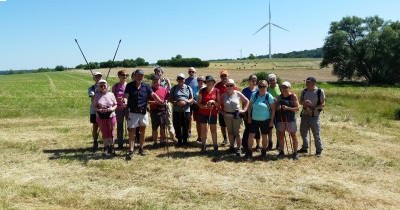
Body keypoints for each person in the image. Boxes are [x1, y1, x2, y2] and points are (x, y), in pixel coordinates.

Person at [124, 69, 164, 160]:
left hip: (143, 112)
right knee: (132, 132)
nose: (140, 77)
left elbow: (153, 95)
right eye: (138, 75)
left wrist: (160, 101)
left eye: (141, 75)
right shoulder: (129, 85)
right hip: (133, 112)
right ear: (135, 76)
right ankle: (131, 150)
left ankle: (141, 148)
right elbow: (126, 96)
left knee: (142, 131)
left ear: (143, 77)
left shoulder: (146, 86)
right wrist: (125, 102)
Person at [244, 80, 276, 158]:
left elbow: (273, 109)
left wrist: (271, 121)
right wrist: (249, 117)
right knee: (251, 135)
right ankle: (249, 151)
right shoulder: (254, 95)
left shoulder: (269, 96)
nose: (262, 88)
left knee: (264, 136)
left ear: (267, 87)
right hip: (254, 119)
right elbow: (250, 107)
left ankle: (264, 151)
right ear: (258, 87)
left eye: (264, 86)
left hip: (265, 120)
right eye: (260, 86)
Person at [220, 79, 249, 156]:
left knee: (237, 132)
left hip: (237, 115)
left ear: (234, 86)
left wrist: (244, 110)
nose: (229, 87)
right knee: (230, 132)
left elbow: (247, 101)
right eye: (228, 85)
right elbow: (218, 104)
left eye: (231, 85)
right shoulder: (223, 95)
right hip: (227, 116)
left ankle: (239, 148)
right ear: (226, 86)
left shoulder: (238, 93)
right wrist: (221, 112)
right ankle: (232, 147)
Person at [298, 77, 325, 157]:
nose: (306, 83)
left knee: (316, 134)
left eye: (308, 82)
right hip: (304, 115)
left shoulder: (319, 91)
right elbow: (300, 102)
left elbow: (323, 104)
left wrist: (313, 109)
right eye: (306, 82)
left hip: (314, 116)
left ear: (314, 83)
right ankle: (304, 148)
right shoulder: (304, 91)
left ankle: (318, 150)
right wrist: (305, 103)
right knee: (303, 133)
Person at [275, 81, 300, 160]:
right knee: (281, 135)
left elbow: (297, 108)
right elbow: (276, 107)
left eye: (286, 87)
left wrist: (288, 108)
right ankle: (281, 151)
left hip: (291, 119)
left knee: (293, 135)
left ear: (289, 88)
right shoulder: (279, 97)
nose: (284, 89)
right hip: (281, 119)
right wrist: (278, 107)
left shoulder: (293, 96)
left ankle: (295, 153)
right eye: (282, 87)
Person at [93, 79, 117, 156]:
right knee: (104, 132)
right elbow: (94, 106)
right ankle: (106, 147)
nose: (103, 87)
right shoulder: (96, 95)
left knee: (111, 131)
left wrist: (112, 109)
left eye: (104, 85)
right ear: (99, 87)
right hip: (101, 116)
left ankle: (112, 147)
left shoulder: (111, 94)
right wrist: (99, 110)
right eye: (101, 86)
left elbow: (115, 104)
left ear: (107, 86)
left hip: (111, 115)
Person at [214, 70, 238, 146]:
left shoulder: (233, 86)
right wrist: (219, 109)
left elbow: (237, 97)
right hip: (222, 110)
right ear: (220, 77)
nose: (224, 77)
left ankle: (233, 141)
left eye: (225, 76)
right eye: (222, 76)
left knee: (232, 126)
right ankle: (225, 139)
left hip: (232, 110)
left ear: (228, 76)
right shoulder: (217, 86)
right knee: (223, 125)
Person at [197, 75, 220, 154]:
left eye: (211, 81)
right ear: (205, 83)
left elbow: (219, 104)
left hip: (213, 113)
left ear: (213, 82)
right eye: (207, 82)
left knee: (213, 130)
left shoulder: (216, 91)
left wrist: (213, 102)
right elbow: (199, 103)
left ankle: (215, 146)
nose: (209, 83)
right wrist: (205, 106)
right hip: (203, 113)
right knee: (204, 129)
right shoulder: (202, 91)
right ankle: (203, 146)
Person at [170, 73, 194, 147]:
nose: (181, 80)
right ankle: (179, 141)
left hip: (186, 110)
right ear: (177, 80)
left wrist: (186, 102)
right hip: (176, 110)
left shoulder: (188, 88)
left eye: (182, 79)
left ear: (184, 80)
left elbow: (192, 98)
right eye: (179, 78)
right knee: (177, 125)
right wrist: (176, 102)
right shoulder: (174, 88)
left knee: (185, 125)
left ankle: (185, 141)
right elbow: (171, 98)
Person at [154, 67, 175, 142]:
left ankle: (172, 136)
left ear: (162, 73)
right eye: (156, 71)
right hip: (157, 104)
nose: (158, 73)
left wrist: (169, 83)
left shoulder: (166, 81)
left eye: (159, 71)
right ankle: (161, 137)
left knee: (168, 119)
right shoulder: (154, 81)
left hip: (166, 102)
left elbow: (170, 91)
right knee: (159, 121)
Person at [241, 74, 261, 153]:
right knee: (248, 129)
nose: (254, 81)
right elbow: (243, 102)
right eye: (252, 80)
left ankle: (258, 145)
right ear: (249, 81)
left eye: (255, 80)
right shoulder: (244, 90)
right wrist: (244, 113)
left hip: (257, 113)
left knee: (257, 129)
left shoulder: (259, 90)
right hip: (247, 113)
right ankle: (246, 145)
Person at [149, 74, 169, 147]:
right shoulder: (150, 90)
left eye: (157, 81)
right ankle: (155, 142)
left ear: (160, 81)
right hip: (154, 111)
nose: (155, 82)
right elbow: (147, 101)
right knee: (154, 127)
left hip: (163, 110)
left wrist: (166, 101)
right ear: (152, 81)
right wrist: (156, 102)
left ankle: (162, 141)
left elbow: (167, 98)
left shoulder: (164, 89)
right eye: (154, 81)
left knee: (163, 127)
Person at [111, 70, 129, 150]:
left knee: (130, 126)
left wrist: (126, 100)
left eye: (126, 75)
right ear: (119, 76)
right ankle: (120, 144)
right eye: (123, 75)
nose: (124, 76)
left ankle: (131, 143)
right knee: (120, 126)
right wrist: (116, 98)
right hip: (118, 109)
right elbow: (112, 97)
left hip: (128, 108)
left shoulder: (129, 85)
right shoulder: (115, 86)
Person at [88, 72, 103, 152]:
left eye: (99, 76)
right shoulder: (91, 88)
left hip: (103, 109)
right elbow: (92, 95)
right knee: (95, 126)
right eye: (96, 77)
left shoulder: (106, 86)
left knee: (104, 126)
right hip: (94, 110)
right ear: (94, 78)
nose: (98, 78)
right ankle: (95, 141)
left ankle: (106, 143)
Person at [267, 73, 281, 151]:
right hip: (269, 111)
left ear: (276, 80)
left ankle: (278, 143)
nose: (272, 81)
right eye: (270, 80)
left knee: (278, 128)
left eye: (273, 80)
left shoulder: (280, 87)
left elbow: (283, 97)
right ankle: (270, 143)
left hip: (278, 111)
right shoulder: (267, 88)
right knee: (269, 128)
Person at [184, 67, 198, 138]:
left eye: (192, 71)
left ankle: (200, 134)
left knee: (198, 118)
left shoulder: (198, 80)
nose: (191, 73)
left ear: (195, 72)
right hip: (188, 101)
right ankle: (189, 131)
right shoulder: (185, 81)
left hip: (196, 102)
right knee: (189, 117)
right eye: (190, 72)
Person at [194, 76, 206, 143]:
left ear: (204, 81)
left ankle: (204, 137)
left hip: (204, 107)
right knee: (198, 123)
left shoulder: (206, 88)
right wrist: (196, 102)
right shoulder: (194, 88)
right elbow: (192, 97)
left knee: (204, 123)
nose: (200, 81)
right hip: (196, 107)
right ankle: (199, 137)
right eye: (198, 80)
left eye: (201, 80)